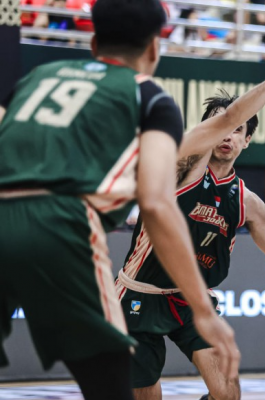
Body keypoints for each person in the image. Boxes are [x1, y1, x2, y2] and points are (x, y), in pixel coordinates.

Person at [0, 0, 238, 399]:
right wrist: (202, 307)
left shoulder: (39, 77)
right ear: (154, 48)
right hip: (61, 232)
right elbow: (157, 205)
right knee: (111, 384)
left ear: (94, 43)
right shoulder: (150, 98)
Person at [115, 40, 265, 400]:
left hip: (194, 302)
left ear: (248, 140)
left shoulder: (247, 202)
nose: (227, 133)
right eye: (221, 127)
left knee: (228, 393)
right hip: (141, 295)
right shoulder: (180, 166)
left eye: (239, 130)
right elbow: (225, 118)